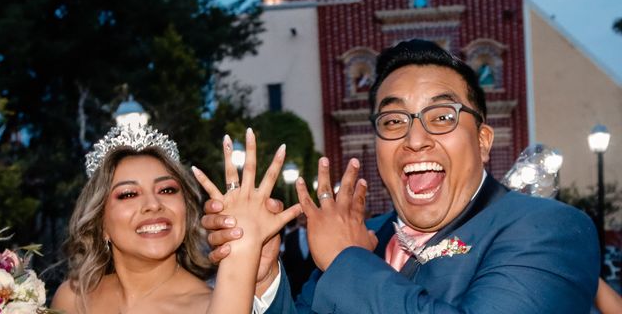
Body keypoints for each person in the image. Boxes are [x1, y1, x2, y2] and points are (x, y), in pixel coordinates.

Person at [203, 39, 601, 313]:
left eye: (441, 117)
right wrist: (264, 278)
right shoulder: (364, 235)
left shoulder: (552, 228)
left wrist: (346, 258)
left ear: (482, 141)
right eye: (393, 120)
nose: (415, 138)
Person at [51, 124, 300, 314]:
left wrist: (244, 252)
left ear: (186, 210)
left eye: (167, 190)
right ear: (101, 223)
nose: (153, 205)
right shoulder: (73, 298)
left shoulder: (213, 305)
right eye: (128, 194)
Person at [281, 214, 316, 298]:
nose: (302, 216)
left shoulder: (317, 234)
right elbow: (286, 262)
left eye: (304, 213)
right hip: (295, 285)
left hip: (315, 283)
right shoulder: (289, 237)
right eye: (300, 214)